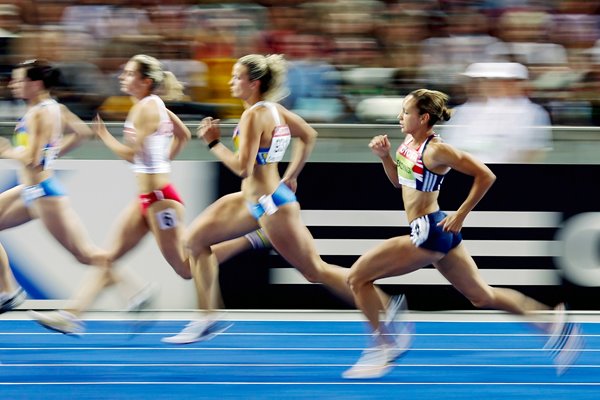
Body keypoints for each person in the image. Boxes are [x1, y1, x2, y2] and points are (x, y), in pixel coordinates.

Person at [343, 89, 583, 379]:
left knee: (357, 277)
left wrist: (461, 214)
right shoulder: (407, 143)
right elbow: (400, 183)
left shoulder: (437, 150)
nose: (399, 116)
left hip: (429, 232)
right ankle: (554, 325)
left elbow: (486, 175)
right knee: (482, 296)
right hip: (437, 233)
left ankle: (385, 344)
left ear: (424, 118)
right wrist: (383, 157)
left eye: (405, 112)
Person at [161, 54, 396, 344]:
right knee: (195, 241)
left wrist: (212, 142)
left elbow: (241, 167)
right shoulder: (273, 110)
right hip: (253, 198)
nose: (230, 82)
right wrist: (292, 175)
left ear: (254, 83)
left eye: (237, 77)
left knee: (314, 271)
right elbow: (308, 135)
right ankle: (208, 316)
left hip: (272, 206)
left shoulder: (253, 115)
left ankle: (386, 305)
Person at [31, 55, 269, 332]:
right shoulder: (155, 106)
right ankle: (71, 315)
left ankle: (252, 239)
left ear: (145, 81)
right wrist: (161, 162)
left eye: (129, 73)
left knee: (185, 268)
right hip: (147, 199)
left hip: (160, 200)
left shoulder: (147, 108)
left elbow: (133, 155)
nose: (123, 77)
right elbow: (182, 134)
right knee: (108, 256)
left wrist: (107, 138)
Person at [0, 59, 148, 325]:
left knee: (84, 254)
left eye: (20, 80)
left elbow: (32, 159)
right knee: (84, 252)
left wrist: (7, 151)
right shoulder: (54, 108)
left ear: (36, 84)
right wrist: (51, 154)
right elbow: (81, 132)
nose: (14, 84)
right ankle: (8, 290)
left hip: (42, 192)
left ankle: (134, 289)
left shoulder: (37, 114)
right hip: (32, 189)